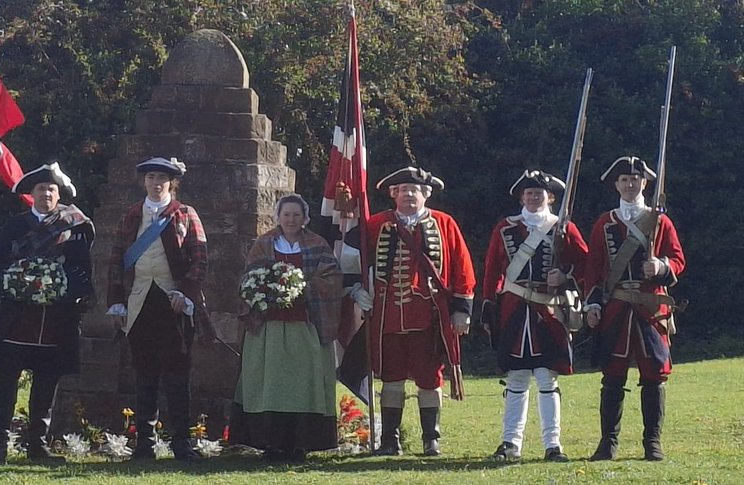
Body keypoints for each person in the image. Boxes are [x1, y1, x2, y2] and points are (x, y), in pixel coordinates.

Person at [349, 166, 476, 457]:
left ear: (426, 194)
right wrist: (356, 290)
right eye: (402, 190)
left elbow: (462, 267)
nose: (408, 195)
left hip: (428, 316)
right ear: (394, 195)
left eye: (414, 190)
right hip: (387, 316)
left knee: (430, 377)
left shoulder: (444, 223)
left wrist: (462, 310)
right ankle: (390, 440)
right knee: (391, 377)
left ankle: (431, 439)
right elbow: (353, 259)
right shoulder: (376, 224)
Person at [0, 162, 94, 464]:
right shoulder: (15, 226)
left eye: (52, 189)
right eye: (41, 189)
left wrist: (67, 294)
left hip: (56, 319)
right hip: (18, 318)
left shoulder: (74, 224)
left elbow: (82, 269)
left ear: (59, 195)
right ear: (31, 194)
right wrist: (11, 292)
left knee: (46, 382)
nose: (46, 193)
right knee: (5, 381)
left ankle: (37, 445)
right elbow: (0, 264)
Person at [479, 170, 588, 462]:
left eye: (539, 193)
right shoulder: (505, 228)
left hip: (548, 308)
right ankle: (510, 442)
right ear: (521, 197)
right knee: (515, 377)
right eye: (528, 193)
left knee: (546, 378)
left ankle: (553, 444)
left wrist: (563, 275)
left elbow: (586, 263)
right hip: (513, 308)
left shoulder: (562, 227)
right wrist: (489, 306)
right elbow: (491, 269)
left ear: (550, 197)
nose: (533, 197)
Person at [105, 157, 208, 462]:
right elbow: (116, 259)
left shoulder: (185, 214)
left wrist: (185, 294)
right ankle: (144, 445)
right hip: (139, 301)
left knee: (177, 376)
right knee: (144, 375)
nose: (156, 182)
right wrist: (117, 300)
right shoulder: (131, 215)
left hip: (173, 301)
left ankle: (181, 444)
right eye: (151, 176)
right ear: (144, 181)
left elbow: (199, 259)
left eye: (162, 177)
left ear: (171, 183)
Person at [585, 156, 685, 462]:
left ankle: (652, 443)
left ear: (645, 183)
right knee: (612, 375)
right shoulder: (604, 223)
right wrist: (591, 302)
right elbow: (594, 268)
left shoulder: (660, 221)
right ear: (616, 184)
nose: (630, 184)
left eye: (635, 179)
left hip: (650, 307)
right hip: (616, 305)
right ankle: (608, 444)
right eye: (624, 180)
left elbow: (678, 259)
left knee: (654, 374)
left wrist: (661, 265)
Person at [230, 194, 342, 461]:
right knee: (270, 384)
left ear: (305, 218)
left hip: (303, 327)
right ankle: (270, 442)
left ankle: (300, 443)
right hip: (269, 330)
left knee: (303, 385)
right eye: (286, 214)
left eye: (296, 215)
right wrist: (267, 290)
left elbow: (332, 278)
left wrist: (301, 287)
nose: (291, 219)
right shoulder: (264, 243)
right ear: (277, 216)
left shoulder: (317, 244)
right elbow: (249, 278)